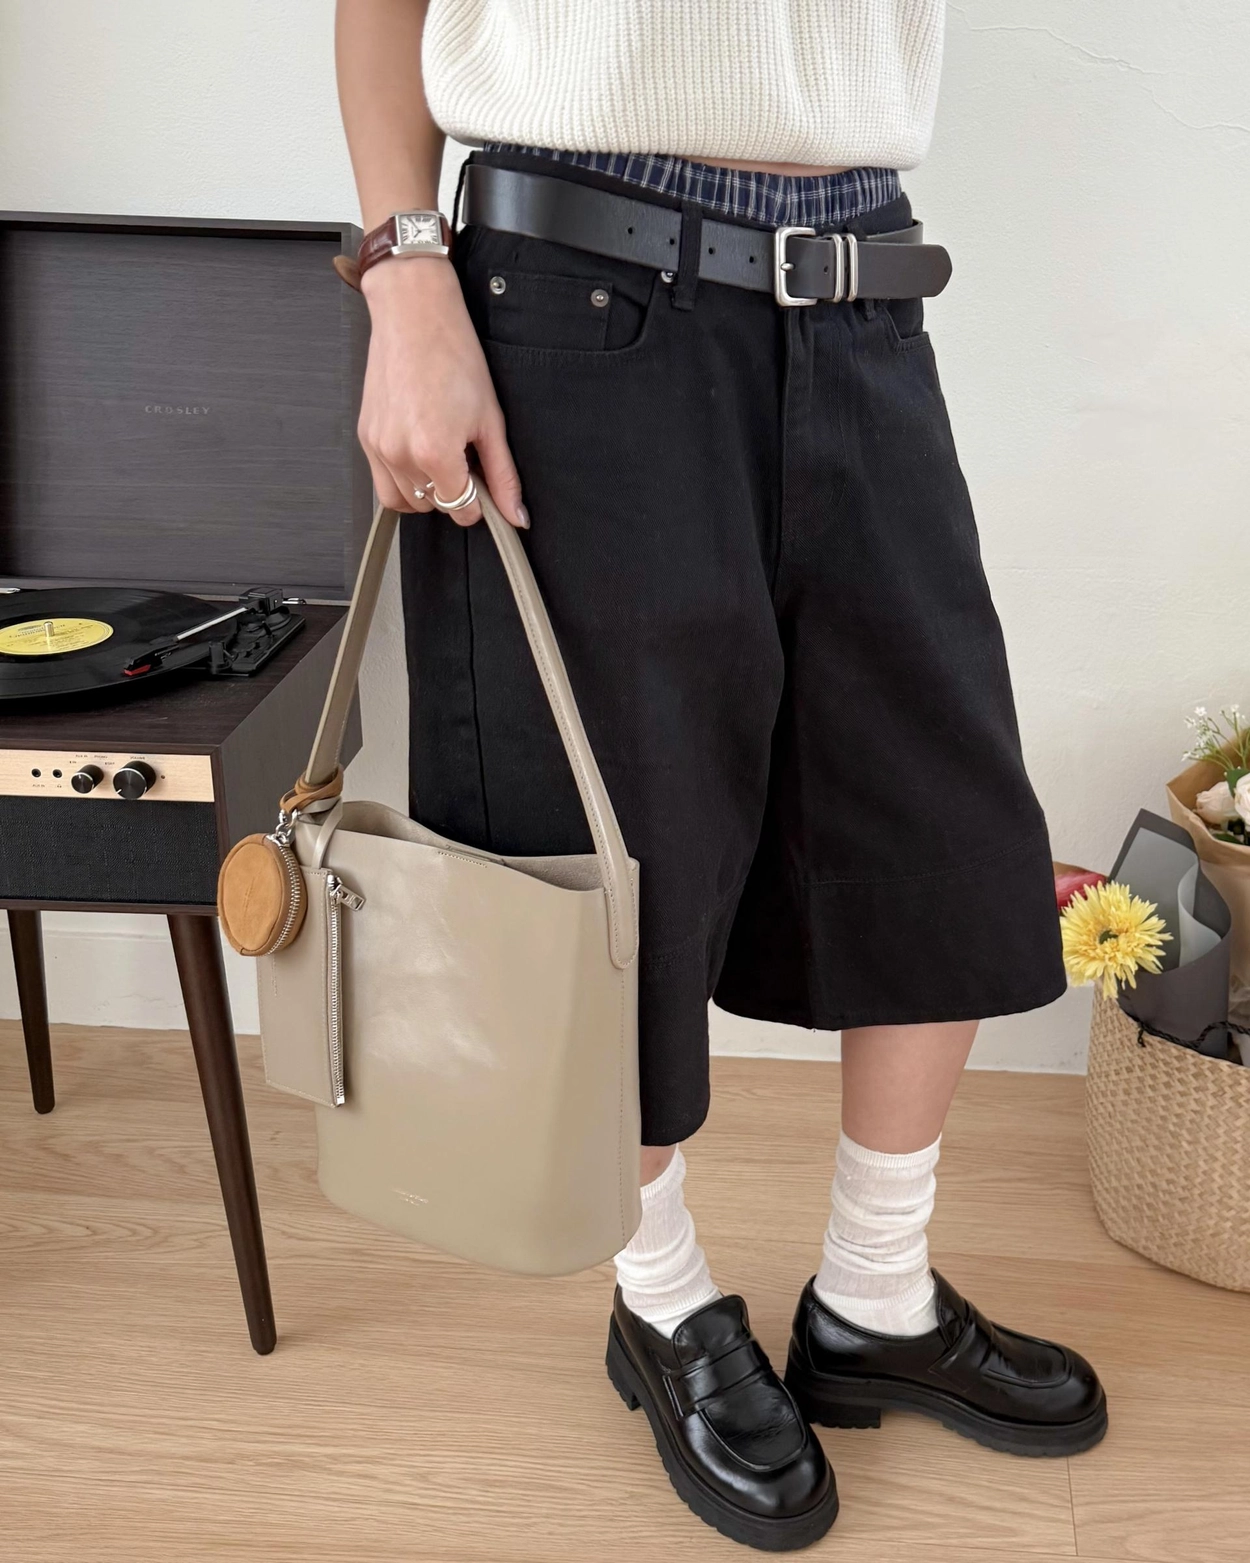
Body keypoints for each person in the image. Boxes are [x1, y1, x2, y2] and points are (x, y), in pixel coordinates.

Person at [335, 1, 1106, 1549]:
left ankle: (874, 1295)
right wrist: (403, 277)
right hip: (571, 294)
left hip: (860, 286)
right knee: (609, 848)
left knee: (932, 808)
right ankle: (662, 1295)